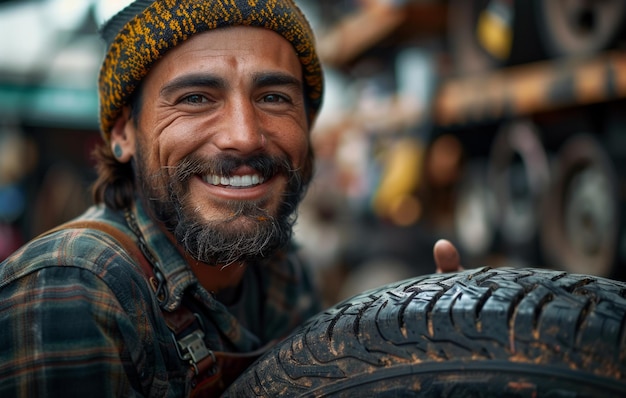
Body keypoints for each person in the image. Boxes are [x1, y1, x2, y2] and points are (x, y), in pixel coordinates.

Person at [0, 0, 462, 396]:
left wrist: (438, 350)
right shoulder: (73, 290)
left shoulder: (283, 272)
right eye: (197, 98)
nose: (244, 137)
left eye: (275, 97)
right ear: (124, 132)